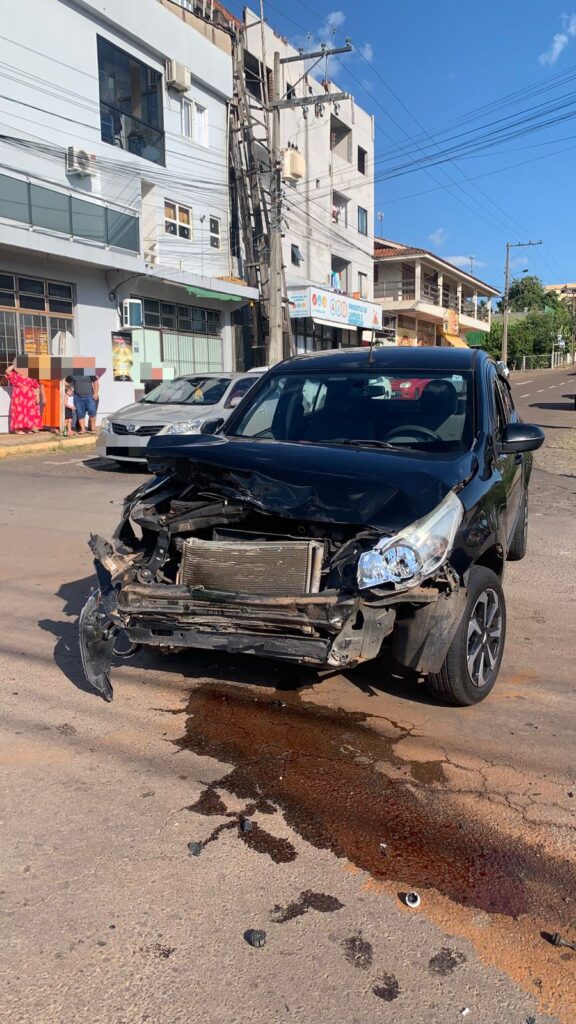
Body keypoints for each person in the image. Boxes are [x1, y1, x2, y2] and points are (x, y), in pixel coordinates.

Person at [5, 363, 42, 434]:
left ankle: (27, 428)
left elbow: (36, 386)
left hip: (29, 397)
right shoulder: (15, 376)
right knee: (19, 411)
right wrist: (15, 364)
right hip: (19, 397)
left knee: (29, 412)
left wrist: (37, 396)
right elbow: (7, 371)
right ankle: (18, 429)